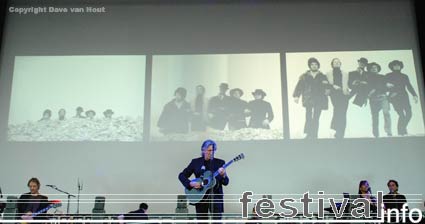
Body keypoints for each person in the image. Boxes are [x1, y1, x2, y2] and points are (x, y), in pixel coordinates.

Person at [178, 140, 229, 222]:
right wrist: (190, 183)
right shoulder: (196, 162)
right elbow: (181, 175)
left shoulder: (220, 163)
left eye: (213, 150)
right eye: (209, 150)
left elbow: (226, 182)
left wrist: (223, 175)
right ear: (203, 150)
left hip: (216, 198)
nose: (211, 152)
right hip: (200, 197)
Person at [293, 57, 330, 139]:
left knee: (316, 117)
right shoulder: (304, 76)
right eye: (312, 64)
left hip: (319, 99)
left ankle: (314, 135)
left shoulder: (323, 76)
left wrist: (327, 90)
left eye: (315, 64)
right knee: (308, 116)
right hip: (308, 98)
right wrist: (296, 96)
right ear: (309, 66)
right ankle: (309, 134)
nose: (314, 66)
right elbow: (299, 86)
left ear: (318, 66)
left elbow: (327, 86)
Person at [386, 60, 418, 136]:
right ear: (392, 67)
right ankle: (401, 132)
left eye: (398, 65)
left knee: (409, 114)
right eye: (395, 65)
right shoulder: (388, 75)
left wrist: (415, 95)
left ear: (400, 66)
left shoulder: (404, 76)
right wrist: (387, 86)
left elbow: (409, 86)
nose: (396, 66)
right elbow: (384, 85)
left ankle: (402, 129)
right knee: (401, 115)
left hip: (404, 97)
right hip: (394, 97)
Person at [326, 58, 350, 138]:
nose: (336, 63)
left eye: (338, 62)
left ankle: (340, 133)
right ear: (332, 64)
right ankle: (337, 129)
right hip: (334, 95)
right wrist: (333, 86)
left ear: (340, 64)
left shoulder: (345, 73)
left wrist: (349, 90)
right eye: (335, 62)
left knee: (343, 113)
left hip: (344, 95)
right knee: (337, 110)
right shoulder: (328, 73)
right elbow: (325, 84)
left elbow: (349, 83)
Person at [366, 62, 392, 137]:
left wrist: (375, 89)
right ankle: (376, 134)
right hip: (373, 99)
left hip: (383, 97)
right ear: (370, 70)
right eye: (372, 68)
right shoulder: (368, 78)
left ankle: (388, 131)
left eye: (375, 68)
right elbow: (367, 88)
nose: (374, 69)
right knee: (375, 117)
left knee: (386, 112)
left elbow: (386, 87)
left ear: (378, 69)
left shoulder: (383, 77)